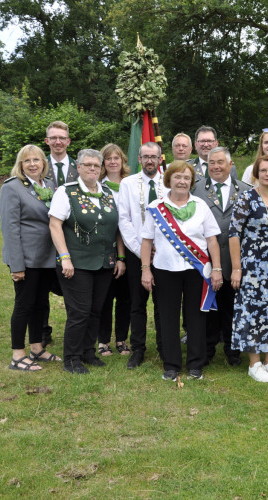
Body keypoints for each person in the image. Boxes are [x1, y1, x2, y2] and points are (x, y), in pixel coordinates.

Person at [140, 160, 223, 381]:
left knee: (196, 318)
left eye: (186, 178)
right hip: (164, 270)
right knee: (167, 318)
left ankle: (196, 364)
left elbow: (212, 240)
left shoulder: (201, 205)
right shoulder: (156, 207)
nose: (182, 181)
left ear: (191, 182)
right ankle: (171, 365)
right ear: (169, 180)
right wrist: (145, 270)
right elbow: (146, 242)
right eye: (177, 177)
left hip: (196, 271)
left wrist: (216, 268)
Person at [48, 149, 125, 374]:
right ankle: (71, 359)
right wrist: (65, 257)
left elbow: (117, 228)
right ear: (78, 168)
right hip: (76, 263)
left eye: (96, 165)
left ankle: (88, 352)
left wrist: (120, 257)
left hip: (104, 262)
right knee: (79, 312)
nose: (92, 168)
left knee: (95, 310)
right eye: (87, 165)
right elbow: (55, 225)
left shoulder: (108, 193)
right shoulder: (66, 192)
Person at [230, 156, 268, 382]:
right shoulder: (246, 198)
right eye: (263, 170)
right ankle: (254, 363)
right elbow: (234, 234)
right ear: (256, 174)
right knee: (253, 313)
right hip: (253, 267)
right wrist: (237, 268)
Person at [0, 144, 61, 371]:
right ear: (20, 164)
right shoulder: (12, 188)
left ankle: (37, 348)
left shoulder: (50, 186)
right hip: (25, 258)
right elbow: (10, 228)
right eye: (27, 161)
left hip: (46, 257)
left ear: (44, 163)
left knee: (41, 305)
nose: (33, 164)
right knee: (24, 305)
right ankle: (18, 355)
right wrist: (17, 265)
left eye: (37, 160)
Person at [192, 146, 250, 366]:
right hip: (206, 261)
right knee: (208, 308)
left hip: (236, 261)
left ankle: (233, 351)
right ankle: (206, 350)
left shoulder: (245, 190)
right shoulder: (196, 190)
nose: (216, 167)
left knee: (233, 308)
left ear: (230, 164)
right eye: (211, 163)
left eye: (220, 162)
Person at [116, 142, 169, 369]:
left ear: (160, 159)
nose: (150, 161)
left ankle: (164, 347)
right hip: (137, 253)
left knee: (163, 303)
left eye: (153, 157)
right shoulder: (127, 184)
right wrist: (141, 251)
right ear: (139, 159)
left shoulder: (169, 181)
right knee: (137, 303)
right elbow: (124, 220)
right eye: (145, 157)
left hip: (165, 254)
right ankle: (138, 349)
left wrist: (161, 247)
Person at [41, 120, 77, 348]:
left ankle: (77, 332)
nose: (57, 141)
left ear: (68, 141)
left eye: (61, 137)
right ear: (47, 141)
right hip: (44, 239)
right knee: (42, 287)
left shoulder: (81, 167)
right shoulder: (36, 166)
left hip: (75, 237)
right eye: (53, 138)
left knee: (75, 289)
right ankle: (42, 332)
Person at [97, 143, 132, 357]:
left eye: (116, 158)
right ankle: (102, 341)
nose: (112, 162)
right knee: (105, 297)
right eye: (108, 158)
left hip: (129, 248)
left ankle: (121, 339)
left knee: (125, 297)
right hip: (105, 249)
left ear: (122, 161)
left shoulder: (130, 184)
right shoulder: (98, 186)